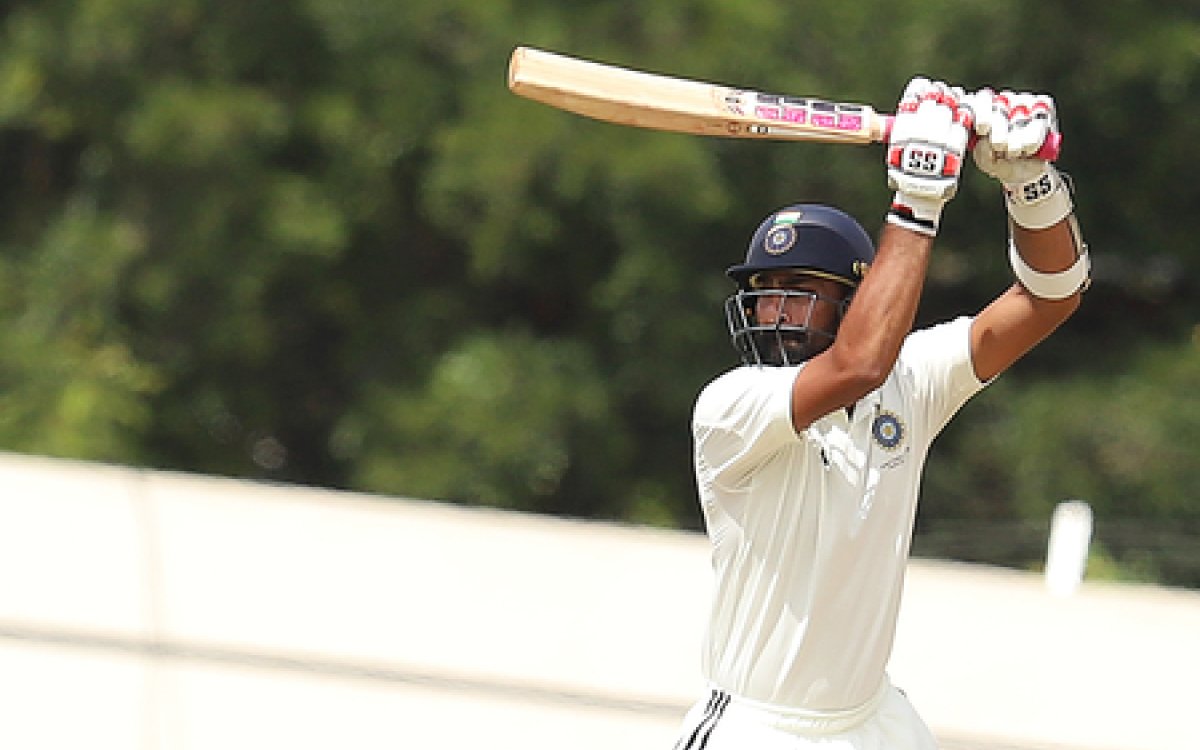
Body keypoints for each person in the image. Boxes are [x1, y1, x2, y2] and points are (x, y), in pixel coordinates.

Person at [673, 77, 1089, 750]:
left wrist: (1031, 184)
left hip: (871, 721)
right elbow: (856, 365)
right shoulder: (731, 406)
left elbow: (1051, 298)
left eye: (801, 289)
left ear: (860, 298)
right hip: (757, 726)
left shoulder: (911, 381)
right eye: (764, 291)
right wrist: (918, 193)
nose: (775, 309)